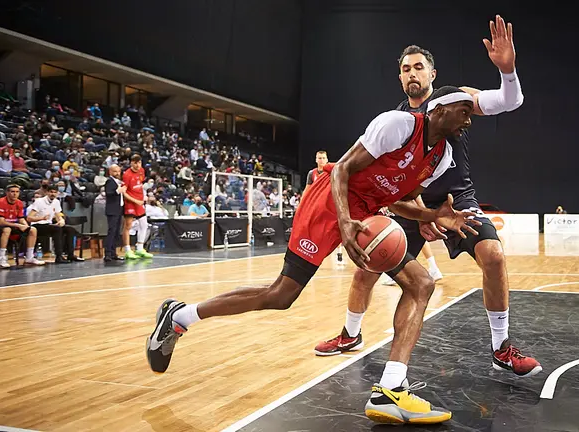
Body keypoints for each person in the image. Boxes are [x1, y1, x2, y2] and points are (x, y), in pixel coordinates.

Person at [146, 86, 483, 424]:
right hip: (329, 201)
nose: (469, 120)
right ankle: (180, 317)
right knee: (281, 295)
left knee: (421, 284)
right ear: (440, 108)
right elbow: (341, 170)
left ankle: (390, 390)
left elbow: (399, 200)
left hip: (366, 211)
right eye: (464, 111)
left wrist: (432, 215)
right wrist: (344, 219)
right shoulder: (398, 125)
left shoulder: (440, 159)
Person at [313, 17, 541, 379]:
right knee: (364, 271)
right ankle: (350, 335)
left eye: (418, 67)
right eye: (405, 69)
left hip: (459, 199)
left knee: (494, 256)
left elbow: (507, 101)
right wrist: (424, 216)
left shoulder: (453, 100)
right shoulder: (397, 120)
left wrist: (507, 71)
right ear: (400, 78)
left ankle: (501, 347)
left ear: (433, 73)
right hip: (411, 203)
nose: (411, 73)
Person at [0, 184, 45, 268]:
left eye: (17, 192)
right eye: (12, 192)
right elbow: (0, 222)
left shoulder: (19, 203)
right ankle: (1, 258)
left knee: (33, 229)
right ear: (7, 193)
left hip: (11, 226)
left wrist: (26, 226)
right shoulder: (0, 202)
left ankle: (29, 257)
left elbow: (21, 218)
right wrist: (18, 225)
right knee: (7, 229)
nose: (15, 194)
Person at [26, 184, 84, 263]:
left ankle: (70, 254)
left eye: (55, 192)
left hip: (48, 225)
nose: (53, 194)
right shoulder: (39, 202)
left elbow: (58, 214)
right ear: (47, 192)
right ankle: (59, 256)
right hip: (37, 226)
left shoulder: (56, 202)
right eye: (51, 192)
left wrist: (61, 220)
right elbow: (29, 218)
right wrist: (41, 218)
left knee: (70, 229)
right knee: (57, 229)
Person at [121, 155, 153, 260]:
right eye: (135, 163)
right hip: (130, 202)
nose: (137, 165)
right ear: (131, 163)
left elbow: (140, 185)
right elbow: (124, 192)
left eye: (139, 163)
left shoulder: (141, 171)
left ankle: (139, 248)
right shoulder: (127, 175)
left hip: (139, 202)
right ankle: (127, 250)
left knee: (144, 224)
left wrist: (143, 196)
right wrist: (136, 200)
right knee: (128, 226)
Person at [104, 164, 126, 262]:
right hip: (112, 210)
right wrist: (118, 191)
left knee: (116, 233)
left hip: (118, 209)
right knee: (112, 232)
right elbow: (108, 193)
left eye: (118, 171)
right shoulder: (109, 181)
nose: (117, 173)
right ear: (110, 172)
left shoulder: (119, 182)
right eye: (115, 171)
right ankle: (108, 253)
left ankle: (113, 252)